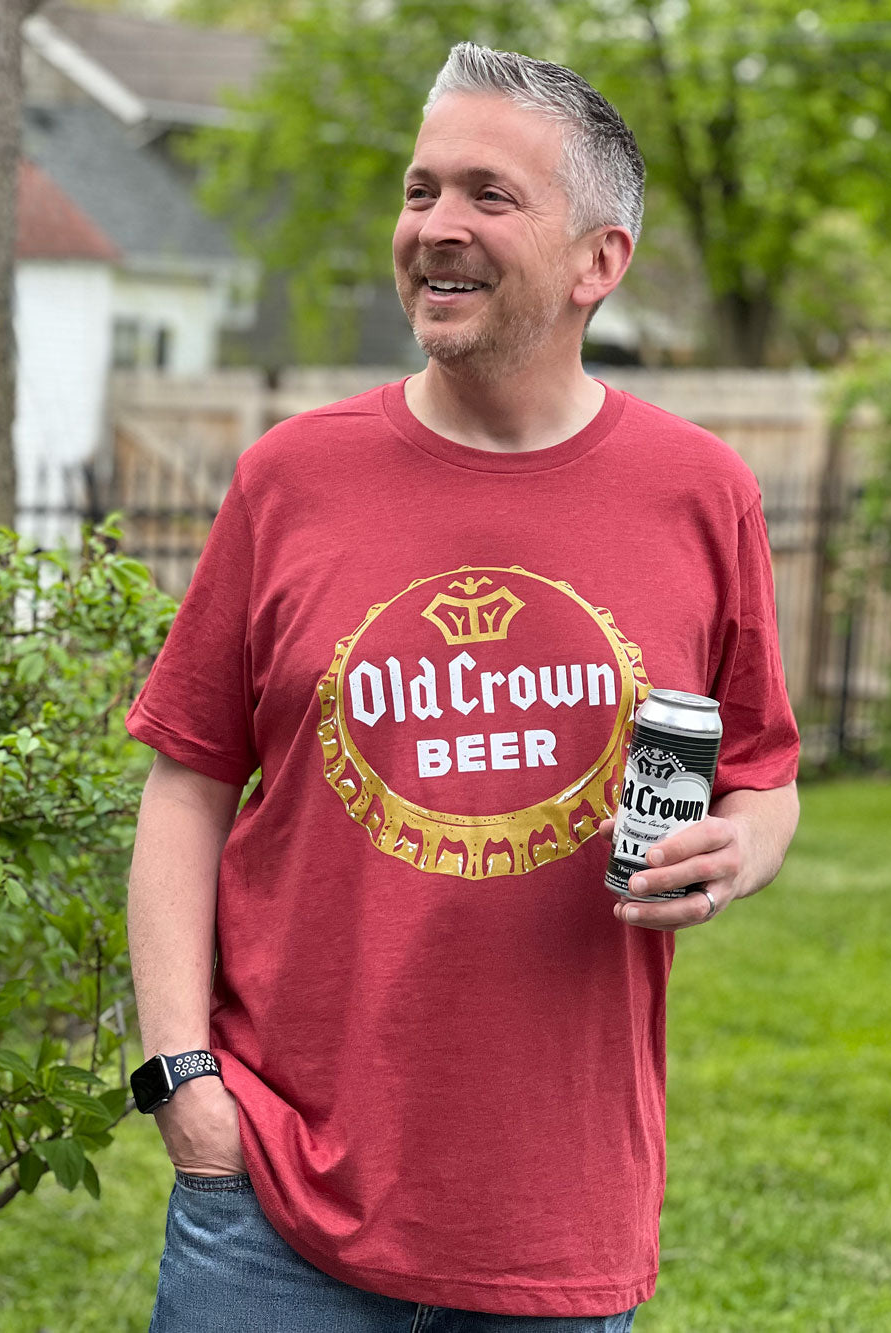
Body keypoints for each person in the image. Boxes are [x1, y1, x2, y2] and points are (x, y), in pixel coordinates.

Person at [125, 41, 800, 1333]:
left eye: (490, 195)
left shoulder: (704, 495)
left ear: (601, 259)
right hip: (270, 1202)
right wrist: (182, 1080)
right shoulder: (291, 480)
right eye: (421, 189)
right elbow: (188, 783)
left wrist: (739, 847)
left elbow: (763, 766)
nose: (436, 226)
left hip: (552, 1221)